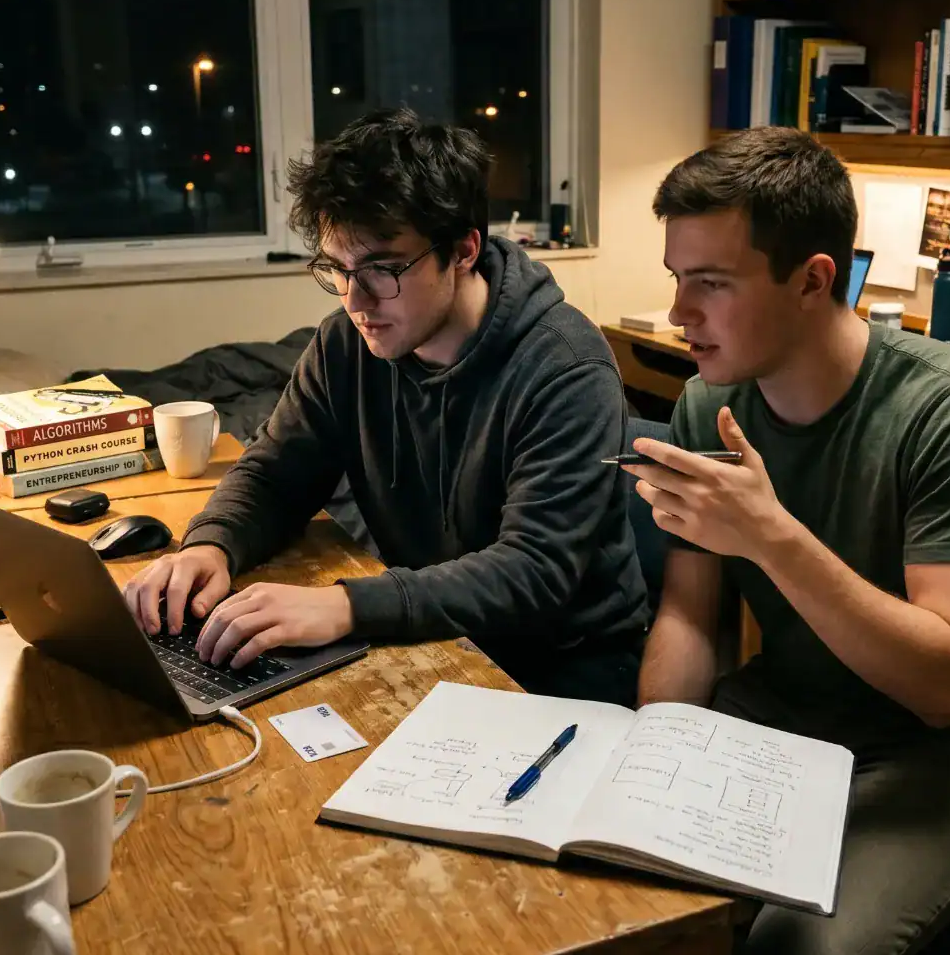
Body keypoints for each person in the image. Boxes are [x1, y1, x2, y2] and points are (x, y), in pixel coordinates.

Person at [626, 127, 950, 954]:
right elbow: (686, 616)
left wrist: (772, 536)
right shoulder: (705, 408)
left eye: (711, 284)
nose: (680, 314)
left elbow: (947, 686)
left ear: (814, 280)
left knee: (796, 946)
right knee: (620, 892)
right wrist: (652, 762)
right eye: (678, 279)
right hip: (789, 711)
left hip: (946, 751)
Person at [122, 108, 648, 705]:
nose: (356, 300)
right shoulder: (347, 343)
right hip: (435, 639)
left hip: (557, 668)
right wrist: (210, 545)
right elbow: (276, 473)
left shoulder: (566, 367)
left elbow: (534, 570)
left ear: (464, 249)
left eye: (382, 269)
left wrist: (346, 605)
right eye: (337, 269)